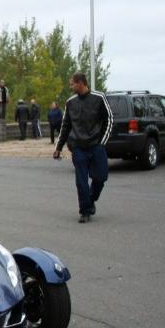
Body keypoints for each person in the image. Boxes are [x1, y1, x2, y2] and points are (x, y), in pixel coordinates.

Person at [53, 72, 113, 223]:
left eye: (72, 83)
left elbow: (109, 119)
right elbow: (65, 126)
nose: (70, 86)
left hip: (96, 146)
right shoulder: (70, 102)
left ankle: (90, 200)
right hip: (78, 148)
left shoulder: (99, 98)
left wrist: (102, 142)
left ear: (80, 83)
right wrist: (58, 147)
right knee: (81, 181)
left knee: (100, 178)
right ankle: (85, 211)